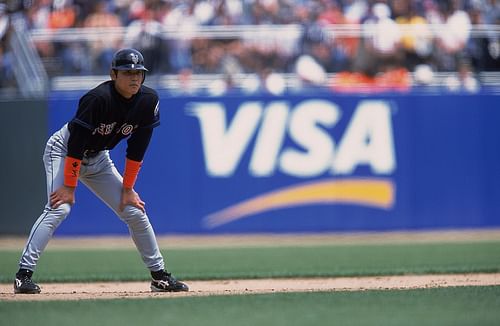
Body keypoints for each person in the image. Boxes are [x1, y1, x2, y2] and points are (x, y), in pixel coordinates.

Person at [14, 48, 189, 294]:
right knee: (59, 208)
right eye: (128, 72)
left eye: (139, 72)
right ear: (113, 74)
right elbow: (76, 142)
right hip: (64, 151)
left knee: (134, 211)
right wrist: (69, 185)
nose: (135, 77)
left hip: (98, 158)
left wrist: (128, 189)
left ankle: (159, 276)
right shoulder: (98, 98)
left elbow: (137, 149)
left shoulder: (148, 100)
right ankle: (23, 275)